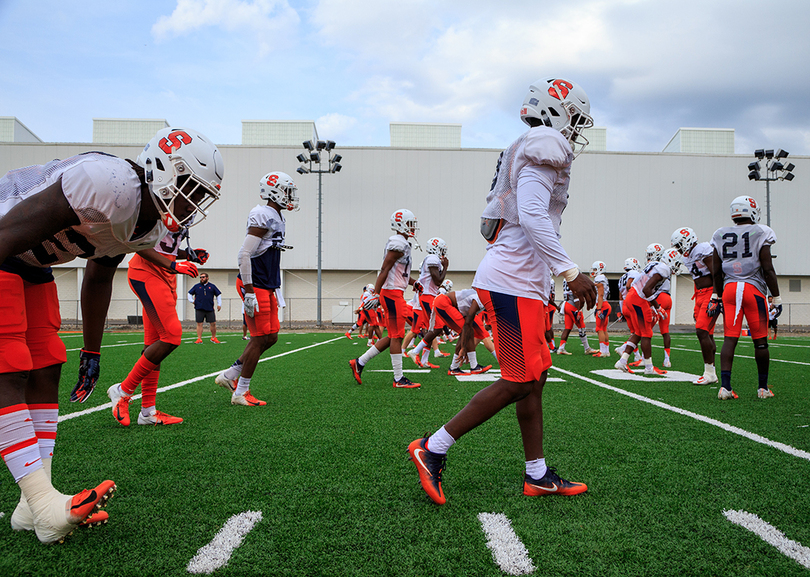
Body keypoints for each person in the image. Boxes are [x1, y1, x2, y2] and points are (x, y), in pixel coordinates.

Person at [0, 126, 223, 543]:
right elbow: (6, 234)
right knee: (9, 365)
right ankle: (44, 503)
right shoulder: (109, 183)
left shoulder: (147, 225)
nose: (191, 203)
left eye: (200, 195)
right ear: (163, 169)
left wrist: (91, 349)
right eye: (190, 188)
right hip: (2, 243)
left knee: (47, 361)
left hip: (32, 265)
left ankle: (32, 507)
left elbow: (99, 275)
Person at [408, 77, 597, 504]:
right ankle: (431, 448)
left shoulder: (525, 144)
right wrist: (570, 272)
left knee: (535, 380)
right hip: (511, 282)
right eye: (576, 120)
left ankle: (538, 474)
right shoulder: (544, 142)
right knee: (516, 381)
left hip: (523, 282)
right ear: (558, 111)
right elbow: (531, 213)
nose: (575, 131)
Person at [107, 229, 208, 427]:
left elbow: (164, 247)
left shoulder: (184, 212)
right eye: (196, 195)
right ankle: (123, 390)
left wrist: (187, 255)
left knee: (154, 345)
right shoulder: (162, 205)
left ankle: (147, 411)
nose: (195, 203)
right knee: (171, 336)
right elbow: (136, 242)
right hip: (146, 273)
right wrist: (173, 264)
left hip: (166, 276)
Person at [215, 171, 298, 405]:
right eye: (286, 191)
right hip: (256, 284)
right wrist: (249, 290)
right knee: (260, 338)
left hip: (267, 284)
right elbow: (244, 254)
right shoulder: (263, 214)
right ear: (273, 191)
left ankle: (231, 375)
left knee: (271, 338)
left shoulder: (277, 216)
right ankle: (241, 391)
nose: (290, 196)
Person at [710, 195, 779, 400]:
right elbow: (767, 268)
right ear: (752, 211)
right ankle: (762, 388)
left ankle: (725, 387)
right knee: (760, 341)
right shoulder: (761, 231)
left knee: (730, 338)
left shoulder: (719, 234)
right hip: (753, 289)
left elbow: (716, 271)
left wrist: (717, 294)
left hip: (730, 288)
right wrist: (776, 296)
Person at [349, 209, 423, 389]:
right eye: (409, 223)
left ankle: (359, 362)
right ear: (400, 224)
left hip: (394, 293)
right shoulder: (397, 244)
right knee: (397, 336)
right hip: (392, 295)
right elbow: (384, 269)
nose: (412, 227)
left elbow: (399, 273)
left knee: (392, 336)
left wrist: (413, 282)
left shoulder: (402, 243)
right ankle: (398, 379)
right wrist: (376, 293)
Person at [614, 249, 682, 375]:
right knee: (646, 333)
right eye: (677, 263)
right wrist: (657, 307)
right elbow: (646, 289)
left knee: (639, 332)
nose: (677, 266)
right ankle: (649, 368)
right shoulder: (664, 269)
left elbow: (637, 284)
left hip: (633, 296)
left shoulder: (655, 265)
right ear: (671, 260)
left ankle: (622, 361)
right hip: (638, 299)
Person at [671, 227, 718, 384]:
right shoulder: (688, 256)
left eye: (679, 245)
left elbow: (717, 273)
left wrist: (716, 296)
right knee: (707, 333)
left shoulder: (702, 249)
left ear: (686, 240)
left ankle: (709, 373)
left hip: (710, 292)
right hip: (699, 294)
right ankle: (712, 372)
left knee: (701, 330)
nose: (678, 249)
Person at [407, 237, 450, 369]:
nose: (443, 252)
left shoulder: (432, 259)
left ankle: (424, 360)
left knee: (431, 329)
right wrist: (446, 267)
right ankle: (414, 351)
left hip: (427, 295)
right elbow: (438, 281)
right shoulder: (432, 258)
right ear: (436, 248)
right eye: (442, 249)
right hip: (427, 296)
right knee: (437, 327)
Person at [556, 275, 596, 355]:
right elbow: (575, 294)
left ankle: (561, 348)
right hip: (573, 306)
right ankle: (587, 348)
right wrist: (578, 309)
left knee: (567, 328)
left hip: (566, 304)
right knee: (582, 327)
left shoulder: (565, 279)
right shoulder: (572, 279)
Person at [188, 273, 222, 343]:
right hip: (199, 308)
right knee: (199, 323)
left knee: (213, 323)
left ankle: (213, 337)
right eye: (200, 277)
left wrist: (219, 304)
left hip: (209, 308)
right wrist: (192, 301)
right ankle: (199, 338)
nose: (201, 279)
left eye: (203, 277)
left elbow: (218, 294)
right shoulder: (197, 286)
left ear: (207, 278)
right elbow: (189, 293)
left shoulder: (212, 286)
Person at [590, 261, 612, 357]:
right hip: (605, 305)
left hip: (603, 306)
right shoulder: (603, 278)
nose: (594, 271)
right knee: (603, 329)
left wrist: (598, 309)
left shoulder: (600, 278)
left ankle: (603, 351)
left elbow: (601, 294)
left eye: (595, 269)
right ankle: (606, 351)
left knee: (599, 329)